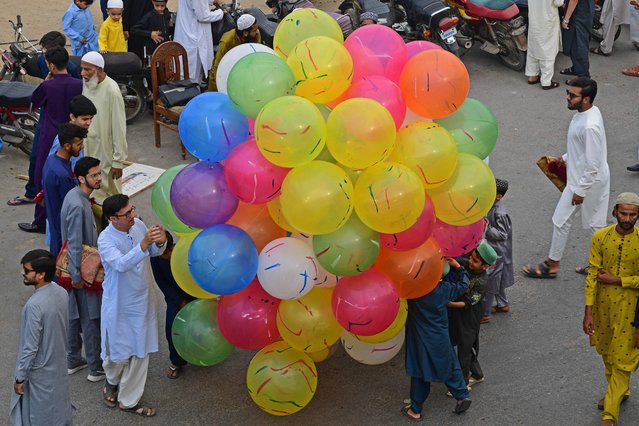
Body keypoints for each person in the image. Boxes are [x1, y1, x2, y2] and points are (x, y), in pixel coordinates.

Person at [522, 77, 609, 278]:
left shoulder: (590, 125)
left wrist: (580, 191)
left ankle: (598, 267)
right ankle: (553, 265)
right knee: (562, 221)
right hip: (580, 179)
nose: (567, 97)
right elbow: (584, 152)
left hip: (588, 182)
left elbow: (593, 164)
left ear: (586, 99)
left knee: (595, 226)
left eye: (572, 95)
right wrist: (564, 159)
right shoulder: (587, 112)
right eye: (568, 93)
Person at [98, 194, 167, 417]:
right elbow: (120, 264)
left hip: (142, 299)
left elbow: (154, 253)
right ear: (112, 218)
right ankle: (111, 381)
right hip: (119, 303)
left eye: (132, 209)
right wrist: (144, 244)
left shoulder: (137, 225)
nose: (133, 215)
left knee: (140, 350)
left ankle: (128, 400)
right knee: (117, 352)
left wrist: (160, 241)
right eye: (127, 214)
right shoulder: (105, 239)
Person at [582, 192, 639, 426]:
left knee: (623, 359)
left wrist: (619, 280)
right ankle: (619, 392)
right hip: (603, 307)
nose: (627, 218)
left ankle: (610, 413)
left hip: (631, 310)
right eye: (623, 213)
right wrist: (588, 312)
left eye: (632, 214)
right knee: (607, 352)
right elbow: (593, 274)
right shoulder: (600, 237)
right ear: (614, 212)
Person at [17, 46, 82, 234]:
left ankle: (40, 221)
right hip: (72, 135)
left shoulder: (48, 86)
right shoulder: (78, 84)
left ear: (51, 66)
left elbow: (35, 101)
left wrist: (46, 80)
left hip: (49, 135)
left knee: (43, 178)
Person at [402, 257, 472, 421]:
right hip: (439, 338)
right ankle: (461, 395)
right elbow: (463, 284)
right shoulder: (444, 289)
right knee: (449, 366)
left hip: (419, 339)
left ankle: (415, 409)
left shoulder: (413, 290)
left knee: (420, 372)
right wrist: (459, 267)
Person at [10, 250, 73, 426]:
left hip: (40, 374)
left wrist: (20, 378)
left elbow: (30, 348)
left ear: (41, 275)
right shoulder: (61, 292)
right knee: (59, 412)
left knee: (40, 417)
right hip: (58, 367)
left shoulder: (34, 306)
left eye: (27, 270)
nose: (23, 273)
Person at [60, 156, 105, 383]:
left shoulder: (74, 196)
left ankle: (73, 359)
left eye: (99, 173)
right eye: (94, 175)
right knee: (91, 317)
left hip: (72, 268)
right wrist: (77, 276)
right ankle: (95, 368)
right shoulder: (79, 205)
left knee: (75, 316)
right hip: (82, 270)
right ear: (81, 178)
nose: (99, 178)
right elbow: (75, 242)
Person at [80, 51, 128, 203]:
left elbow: (119, 127)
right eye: (82, 68)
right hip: (89, 146)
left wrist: (118, 161)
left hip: (106, 150)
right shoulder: (87, 82)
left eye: (87, 69)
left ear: (99, 70)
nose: (83, 73)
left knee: (109, 193)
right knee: (92, 192)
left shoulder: (112, 90)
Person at [448, 242, 497, 390]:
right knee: (466, 347)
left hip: (470, 317)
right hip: (460, 315)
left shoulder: (482, 282)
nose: (470, 261)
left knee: (464, 349)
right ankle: (476, 374)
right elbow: (456, 262)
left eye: (475, 261)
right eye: (471, 257)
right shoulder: (467, 264)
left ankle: (462, 385)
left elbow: (467, 303)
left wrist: (447, 303)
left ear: (485, 267)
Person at [150, 231, 195, 379]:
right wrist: (179, 301)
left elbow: (193, 278)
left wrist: (189, 298)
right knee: (172, 330)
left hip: (193, 295)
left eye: (169, 252)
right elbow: (162, 284)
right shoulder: (156, 259)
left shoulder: (183, 254)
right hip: (174, 299)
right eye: (164, 255)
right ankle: (177, 362)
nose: (167, 257)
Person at [42, 123, 87, 258]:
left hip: (54, 218)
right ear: (67, 146)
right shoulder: (62, 175)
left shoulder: (52, 160)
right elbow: (70, 206)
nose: (82, 147)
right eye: (79, 144)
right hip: (63, 226)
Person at [482, 179, 514, 322]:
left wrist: (488, 227)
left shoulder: (500, 213)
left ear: (498, 196)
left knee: (491, 280)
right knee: (498, 278)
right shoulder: (493, 205)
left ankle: (485, 313)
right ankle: (502, 304)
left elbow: (502, 234)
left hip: (498, 251)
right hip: (497, 249)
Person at [174, 0, 224, 83]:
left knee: (185, 77)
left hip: (186, 36)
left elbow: (196, 3)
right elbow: (203, 16)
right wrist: (221, 13)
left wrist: (212, 1)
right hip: (194, 39)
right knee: (193, 81)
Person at [207, 14, 260, 91]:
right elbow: (217, 67)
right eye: (254, 30)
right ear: (245, 33)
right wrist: (216, 92)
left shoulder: (256, 35)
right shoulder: (226, 42)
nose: (257, 32)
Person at [49, 95, 98, 171]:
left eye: (91, 118)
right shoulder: (61, 141)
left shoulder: (79, 134)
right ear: (72, 117)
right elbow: (53, 166)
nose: (89, 123)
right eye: (85, 119)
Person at [525, 0, 564, 89]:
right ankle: (546, 82)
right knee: (548, 49)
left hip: (534, 18)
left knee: (533, 47)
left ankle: (532, 76)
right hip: (547, 19)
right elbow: (559, 3)